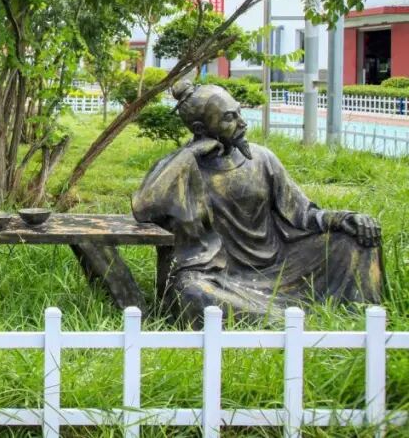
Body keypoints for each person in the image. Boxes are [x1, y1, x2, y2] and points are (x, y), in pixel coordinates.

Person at [132, 81, 382, 325]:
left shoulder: (262, 159)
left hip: (280, 265)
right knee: (191, 292)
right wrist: (189, 154)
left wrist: (344, 219)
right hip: (221, 276)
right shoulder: (183, 168)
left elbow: (303, 213)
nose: (242, 123)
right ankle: (287, 321)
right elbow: (143, 207)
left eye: (239, 112)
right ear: (200, 128)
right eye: (229, 118)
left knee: (355, 241)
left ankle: (360, 321)